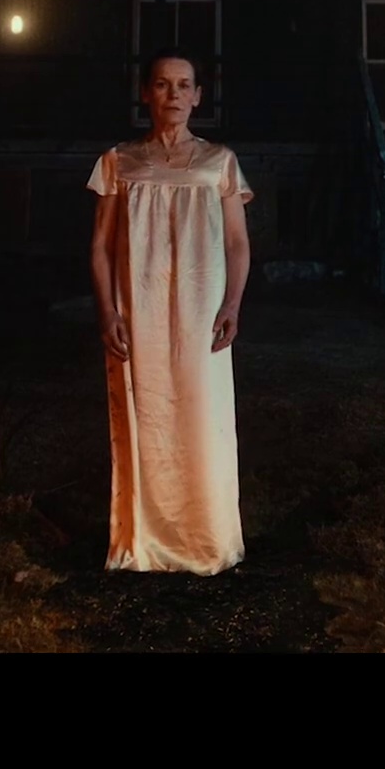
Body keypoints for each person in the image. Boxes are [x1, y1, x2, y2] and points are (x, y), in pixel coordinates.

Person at [86, 48, 253, 576]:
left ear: (198, 96)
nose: (173, 94)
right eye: (162, 84)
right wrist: (107, 311)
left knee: (201, 414)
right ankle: (145, 541)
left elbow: (237, 243)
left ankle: (206, 538)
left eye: (184, 85)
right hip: (140, 309)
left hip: (201, 311)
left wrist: (232, 303)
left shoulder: (219, 162)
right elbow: (100, 245)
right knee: (147, 410)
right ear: (146, 93)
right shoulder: (120, 161)